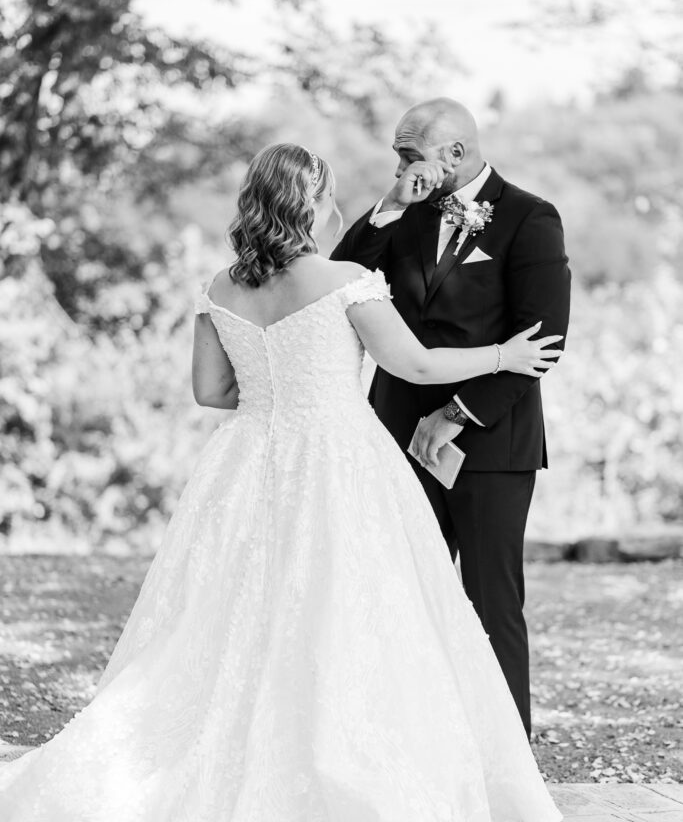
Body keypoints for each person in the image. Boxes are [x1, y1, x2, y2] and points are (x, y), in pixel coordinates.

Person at [0, 144, 563, 821]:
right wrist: (503, 354)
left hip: (244, 459)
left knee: (233, 609)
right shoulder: (346, 281)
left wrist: (273, 386)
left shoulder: (220, 288)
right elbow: (412, 365)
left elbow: (211, 391)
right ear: (312, 202)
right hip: (335, 458)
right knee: (344, 605)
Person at [332, 98, 572, 738]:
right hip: (397, 437)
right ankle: (415, 748)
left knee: (492, 603)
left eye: (408, 154)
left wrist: (458, 413)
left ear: (454, 153)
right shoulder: (405, 211)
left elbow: (544, 340)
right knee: (405, 596)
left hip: (492, 443)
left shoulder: (530, 218)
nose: (399, 166)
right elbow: (338, 278)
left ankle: (506, 758)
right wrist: (390, 204)